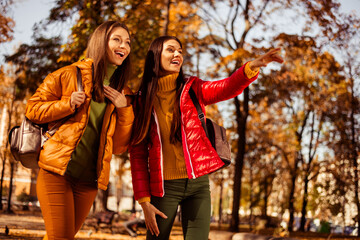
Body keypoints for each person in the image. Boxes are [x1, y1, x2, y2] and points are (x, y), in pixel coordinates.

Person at [129, 36, 283, 240]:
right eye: (171, 50)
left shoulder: (192, 89)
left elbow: (225, 87)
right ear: (156, 56)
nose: (177, 54)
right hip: (164, 188)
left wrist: (251, 67)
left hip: (198, 185)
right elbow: (138, 153)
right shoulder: (142, 100)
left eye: (180, 51)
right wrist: (144, 201)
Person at [25, 21, 134, 240]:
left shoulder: (123, 92)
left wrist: (125, 110)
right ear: (101, 42)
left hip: (89, 182)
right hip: (57, 172)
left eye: (127, 42)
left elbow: (120, 146)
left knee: (59, 237)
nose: (124, 45)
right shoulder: (69, 74)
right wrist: (67, 105)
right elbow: (32, 109)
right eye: (117, 39)